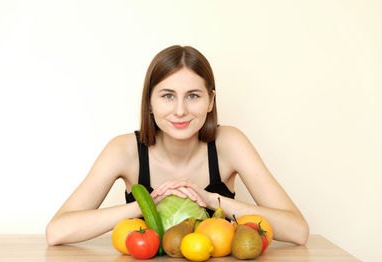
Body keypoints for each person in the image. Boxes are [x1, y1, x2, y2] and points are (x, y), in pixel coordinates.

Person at [45, 45, 309, 246]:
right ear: (150, 102)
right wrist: (141, 206)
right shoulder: (123, 150)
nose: (180, 110)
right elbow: (57, 231)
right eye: (168, 96)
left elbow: (297, 230)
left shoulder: (230, 143)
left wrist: (211, 200)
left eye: (193, 96)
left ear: (210, 101)